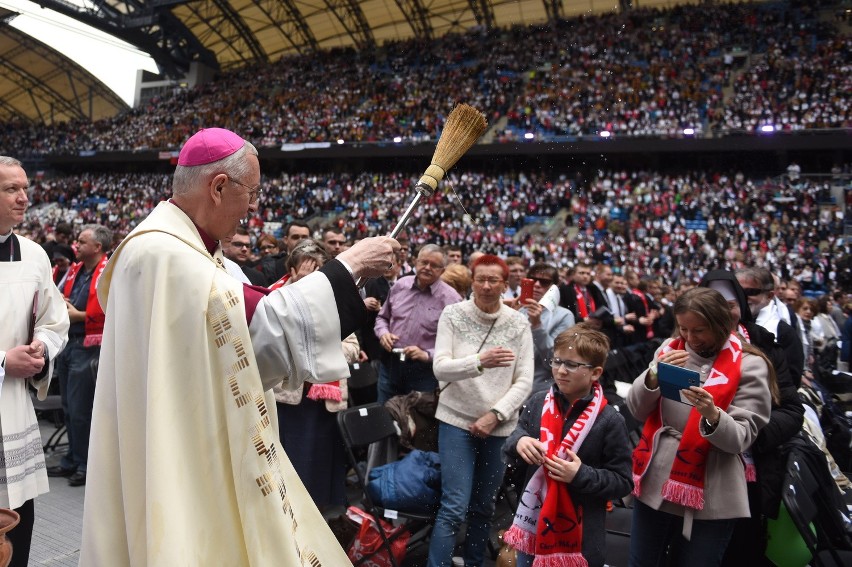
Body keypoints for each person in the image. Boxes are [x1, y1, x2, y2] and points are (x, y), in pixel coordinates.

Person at [79, 128, 399, 565]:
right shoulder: (164, 254)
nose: (253, 209)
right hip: (186, 441)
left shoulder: (181, 250)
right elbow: (264, 322)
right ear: (218, 187)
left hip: (184, 424)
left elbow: (250, 332)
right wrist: (351, 264)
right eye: (252, 194)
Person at [626, 287, 772, 567]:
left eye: (699, 330)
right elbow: (636, 409)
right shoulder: (669, 350)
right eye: (683, 329)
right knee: (642, 560)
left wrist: (712, 414)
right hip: (657, 475)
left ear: (721, 325)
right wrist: (653, 374)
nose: (690, 339)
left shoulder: (750, 365)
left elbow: (741, 437)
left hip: (713, 482)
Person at [426, 254, 533, 567]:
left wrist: (496, 414)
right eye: (480, 279)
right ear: (471, 282)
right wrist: (478, 362)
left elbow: (524, 380)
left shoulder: (518, 323)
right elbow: (440, 368)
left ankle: (474, 562)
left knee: (484, 506)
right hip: (456, 420)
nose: (486, 286)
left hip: (498, 426)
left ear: (504, 284)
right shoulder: (453, 315)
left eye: (493, 280)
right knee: (453, 507)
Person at [503, 326, 633, 567]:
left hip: (581, 536)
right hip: (532, 525)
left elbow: (622, 482)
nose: (561, 371)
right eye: (557, 361)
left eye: (572, 365)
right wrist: (519, 441)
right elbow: (513, 438)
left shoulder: (608, 420)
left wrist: (580, 474)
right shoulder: (538, 401)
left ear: (595, 373)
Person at [699, 271, 804, 566]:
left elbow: (792, 410)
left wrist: (747, 434)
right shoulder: (682, 344)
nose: (723, 312)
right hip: (694, 469)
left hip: (750, 473)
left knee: (740, 552)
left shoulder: (765, 344)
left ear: (741, 306)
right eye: (713, 303)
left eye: (730, 304)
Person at [0, 156, 70, 567]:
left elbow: (54, 320)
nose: (25, 198)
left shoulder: (34, 256)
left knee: (17, 530)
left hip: (14, 410)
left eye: (25, 188)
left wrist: (41, 349)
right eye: (11, 189)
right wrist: (3, 362)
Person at [272, 239, 353, 517]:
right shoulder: (275, 297)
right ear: (291, 270)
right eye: (304, 269)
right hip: (289, 398)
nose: (312, 276)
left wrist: (319, 344)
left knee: (317, 469)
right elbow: (273, 341)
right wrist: (298, 291)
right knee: (290, 466)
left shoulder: (338, 298)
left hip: (322, 402)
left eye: (318, 270)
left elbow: (353, 348)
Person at [47, 224, 112, 487]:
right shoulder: (75, 270)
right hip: (69, 342)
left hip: (89, 345)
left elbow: (112, 310)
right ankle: (72, 459)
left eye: (82, 241)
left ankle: (85, 464)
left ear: (97, 247)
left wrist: (79, 315)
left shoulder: (108, 273)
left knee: (80, 409)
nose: (76, 244)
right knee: (68, 408)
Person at [374, 243, 462, 403]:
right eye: (424, 262)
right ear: (416, 262)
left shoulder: (452, 300)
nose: (427, 267)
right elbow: (382, 318)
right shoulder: (400, 285)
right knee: (384, 419)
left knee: (416, 422)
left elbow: (457, 344)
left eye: (434, 265)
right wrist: (383, 333)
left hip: (423, 372)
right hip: (390, 365)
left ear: (443, 270)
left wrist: (427, 354)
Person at [521, 262, 575, 394]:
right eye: (533, 280)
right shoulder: (517, 310)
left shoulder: (564, 316)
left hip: (539, 390)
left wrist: (537, 326)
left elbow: (555, 361)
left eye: (544, 282)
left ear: (554, 288)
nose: (537, 285)